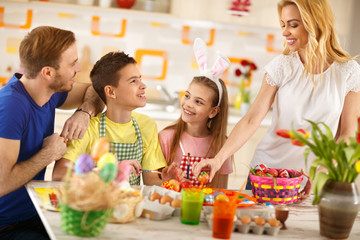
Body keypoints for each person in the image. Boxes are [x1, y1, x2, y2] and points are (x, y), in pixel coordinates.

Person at [193, 0, 360, 200]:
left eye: (293, 25)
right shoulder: (282, 67)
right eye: (283, 25)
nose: (285, 32)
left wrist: (322, 170)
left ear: (315, 23)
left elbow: (347, 134)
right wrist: (217, 160)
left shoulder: (348, 72)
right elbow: (251, 119)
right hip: (267, 175)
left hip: (312, 180)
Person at [0, 26, 104, 239]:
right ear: (47, 72)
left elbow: (96, 90)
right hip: (7, 225)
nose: (79, 67)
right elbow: (2, 184)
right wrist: (49, 154)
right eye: (72, 63)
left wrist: (83, 112)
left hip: (34, 210)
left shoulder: (48, 92)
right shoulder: (11, 107)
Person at [53, 51, 174, 186]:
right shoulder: (89, 128)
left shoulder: (147, 125)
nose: (143, 85)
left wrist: (167, 180)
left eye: (140, 79)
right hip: (95, 204)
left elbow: (150, 180)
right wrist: (108, 173)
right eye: (134, 81)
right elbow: (59, 175)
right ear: (111, 91)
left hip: (129, 204)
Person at [159, 38, 233, 189]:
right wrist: (167, 181)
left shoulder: (222, 146)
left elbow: (220, 192)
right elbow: (156, 187)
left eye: (198, 102)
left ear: (213, 111)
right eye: (187, 96)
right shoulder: (166, 138)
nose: (188, 104)